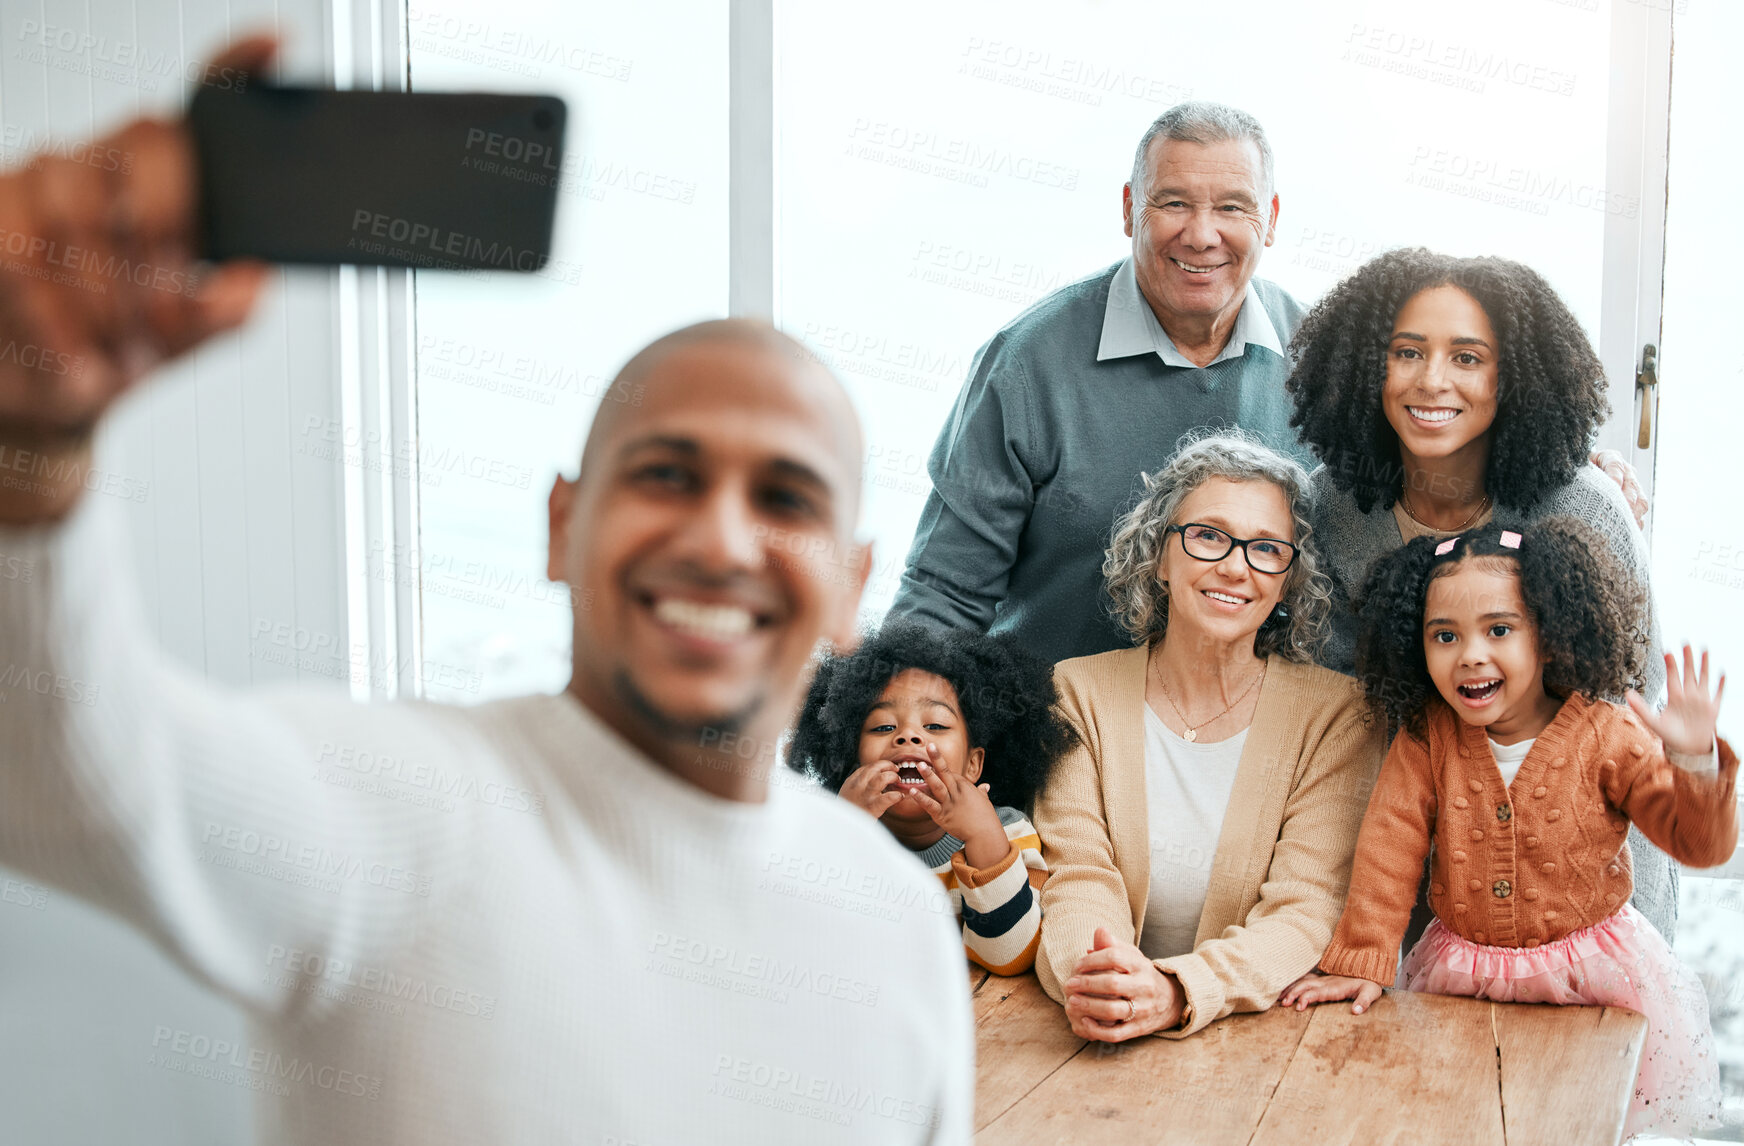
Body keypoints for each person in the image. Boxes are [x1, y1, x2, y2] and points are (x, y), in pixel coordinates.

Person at [0, 40, 971, 1146]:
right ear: (562, 525)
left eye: (785, 497)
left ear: (851, 587)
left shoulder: (893, 926)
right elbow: (76, 777)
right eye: (666, 474)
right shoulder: (398, 808)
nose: (717, 538)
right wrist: (28, 449)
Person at [1280, 521, 1735, 1141]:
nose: (1469, 654)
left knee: (1575, 1125)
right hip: (1462, 979)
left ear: (1549, 634)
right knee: (1459, 1121)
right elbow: (1390, 845)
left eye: (1499, 629)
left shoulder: (1606, 731)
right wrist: (1362, 956)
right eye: (1445, 635)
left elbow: (1700, 846)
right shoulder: (1429, 736)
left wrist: (1695, 761)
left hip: (1594, 984)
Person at [1285, 247, 1683, 943]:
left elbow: (1636, 724)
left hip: (1583, 904)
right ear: (1363, 367)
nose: (1432, 381)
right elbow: (1333, 720)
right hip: (1405, 882)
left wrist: (1634, 937)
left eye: (1467, 357)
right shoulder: (1330, 510)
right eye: (1407, 352)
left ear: (1515, 377)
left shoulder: (1587, 513)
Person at [887, 102, 1309, 667]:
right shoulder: (1026, 365)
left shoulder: (1321, 362)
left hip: (1261, 740)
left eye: (1233, 207)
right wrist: (892, 722)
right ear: (1132, 208)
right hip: (1053, 730)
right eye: (1174, 202)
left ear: (1272, 219)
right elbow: (945, 595)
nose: (1202, 235)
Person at [1033, 433, 1386, 1041]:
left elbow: (1306, 909)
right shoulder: (1075, 692)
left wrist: (1177, 992)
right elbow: (1077, 877)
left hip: (1265, 1041)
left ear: (1286, 582)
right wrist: (1102, 985)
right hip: (1091, 1030)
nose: (1234, 566)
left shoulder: (1340, 714)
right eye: (1208, 536)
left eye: (1267, 548)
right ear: (1159, 555)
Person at [787, 622, 1070, 975]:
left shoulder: (1008, 832)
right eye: (883, 727)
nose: (908, 736)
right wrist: (844, 832)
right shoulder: (822, 833)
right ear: (852, 760)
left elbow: (1009, 956)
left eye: (935, 725)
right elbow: (804, 941)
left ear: (972, 764)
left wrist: (983, 837)